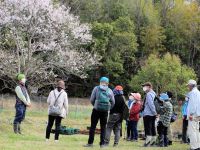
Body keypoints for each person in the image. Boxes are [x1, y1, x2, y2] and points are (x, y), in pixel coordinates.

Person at [84, 77, 115, 148]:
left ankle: (90, 143)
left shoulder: (96, 88)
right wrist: (108, 108)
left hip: (96, 110)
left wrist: (95, 105)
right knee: (103, 127)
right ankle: (102, 144)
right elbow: (113, 102)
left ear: (100, 82)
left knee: (93, 127)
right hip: (105, 111)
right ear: (108, 83)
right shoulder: (110, 90)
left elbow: (92, 99)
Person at [141, 82, 157, 147]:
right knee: (152, 128)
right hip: (152, 114)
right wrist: (155, 113)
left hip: (148, 114)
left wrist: (154, 112)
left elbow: (151, 104)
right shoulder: (154, 94)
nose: (144, 88)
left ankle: (147, 142)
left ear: (149, 87)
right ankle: (153, 142)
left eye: (145, 86)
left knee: (148, 128)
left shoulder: (149, 94)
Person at [186, 79, 200, 150]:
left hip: (193, 114)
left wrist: (191, 114)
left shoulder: (192, 93)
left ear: (191, 85)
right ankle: (198, 146)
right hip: (198, 114)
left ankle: (194, 147)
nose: (188, 87)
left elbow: (193, 105)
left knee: (192, 131)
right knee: (197, 130)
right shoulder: (198, 92)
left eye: (188, 85)